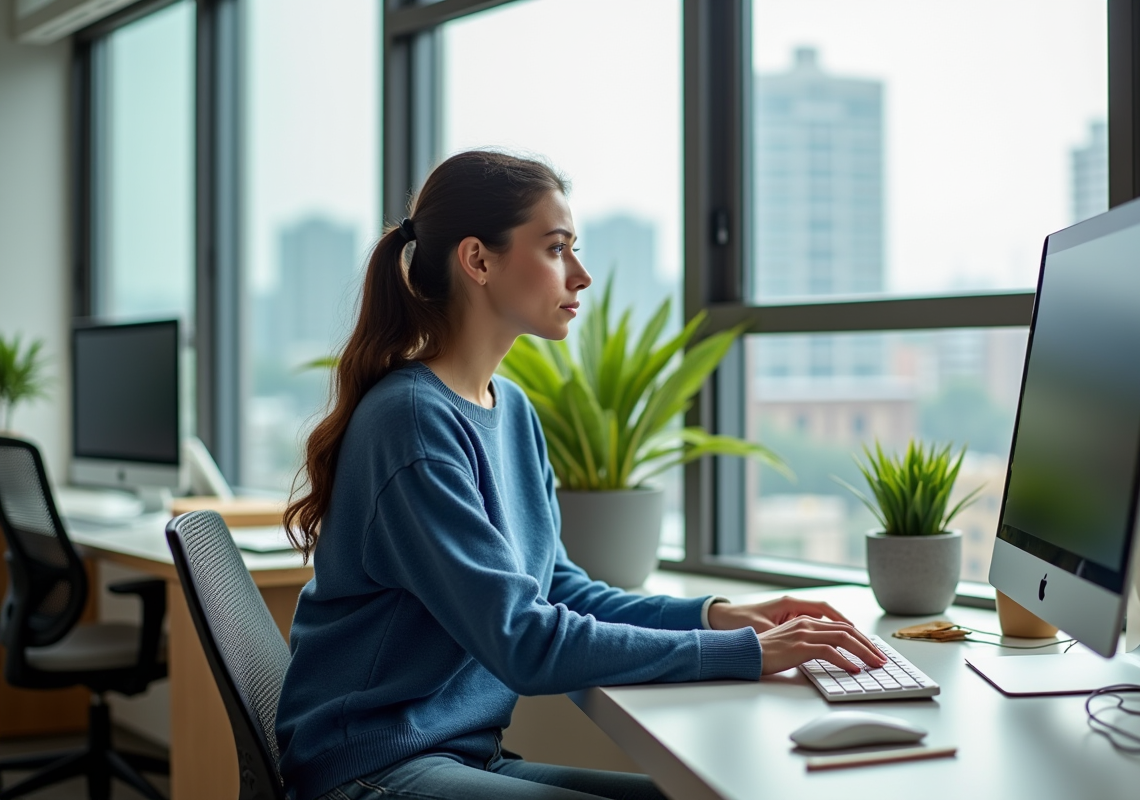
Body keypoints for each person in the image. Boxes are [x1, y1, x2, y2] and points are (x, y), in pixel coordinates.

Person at [275, 150, 886, 800]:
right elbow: (524, 641)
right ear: (478, 260)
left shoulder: (508, 410)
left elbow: (559, 589)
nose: (582, 275)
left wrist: (717, 616)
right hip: (371, 770)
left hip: (461, 757)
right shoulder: (412, 424)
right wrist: (748, 655)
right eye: (557, 248)